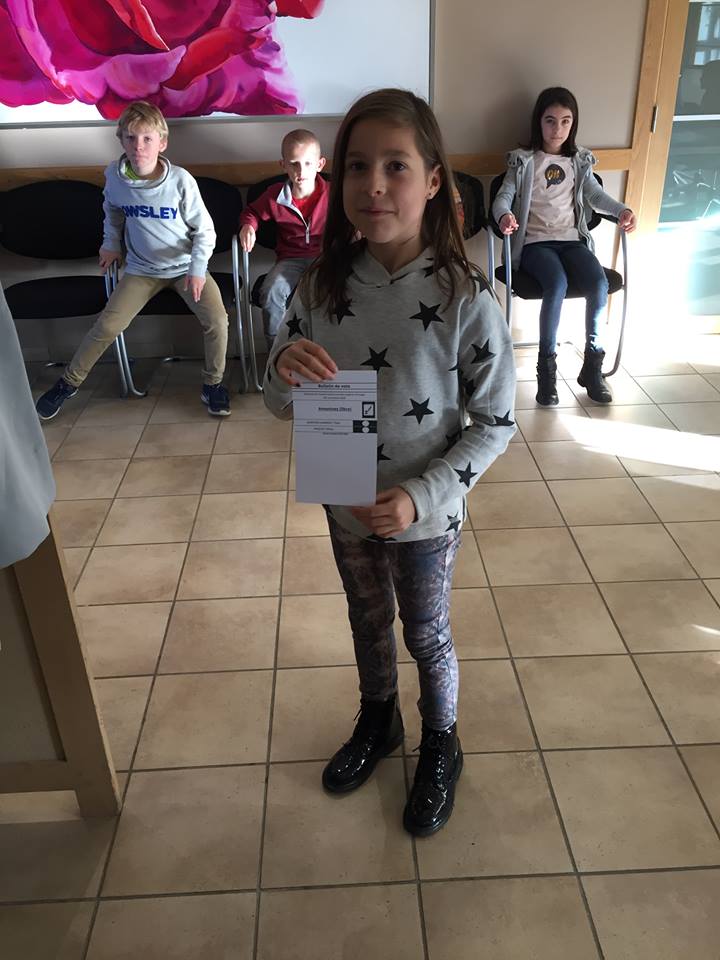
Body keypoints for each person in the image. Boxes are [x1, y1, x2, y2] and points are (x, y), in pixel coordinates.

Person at [262, 89, 516, 837]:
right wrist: (281, 367)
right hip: (344, 497)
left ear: (433, 180)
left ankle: (441, 740)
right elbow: (280, 403)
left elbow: (496, 424)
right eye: (357, 166)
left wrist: (420, 496)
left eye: (395, 166)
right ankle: (379, 720)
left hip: (425, 515)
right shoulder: (320, 284)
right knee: (366, 620)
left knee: (425, 634)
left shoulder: (467, 297)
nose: (373, 185)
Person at [36, 100, 231, 420]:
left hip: (185, 268)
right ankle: (68, 383)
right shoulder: (114, 177)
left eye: (147, 139)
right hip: (142, 270)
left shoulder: (180, 180)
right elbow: (112, 212)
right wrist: (110, 244)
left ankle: (213, 384)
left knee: (217, 321)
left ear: (162, 143)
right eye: (131, 138)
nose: (138, 146)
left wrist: (197, 269)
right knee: (107, 325)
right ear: (121, 140)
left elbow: (205, 231)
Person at [492, 86, 636, 406]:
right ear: (539, 122)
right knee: (555, 284)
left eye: (565, 122)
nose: (557, 129)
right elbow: (503, 197)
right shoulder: (523, 161)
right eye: (550, 121)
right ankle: (547, 371)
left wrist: (621, 210)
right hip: (536, 245)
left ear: (573, 124)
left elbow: (595, 195)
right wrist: (504, 215)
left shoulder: (578, 160)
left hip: (571, 242)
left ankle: (593, 367)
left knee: (599, 283)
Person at [238, 129, 329, 352]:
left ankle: (329, 350)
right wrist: (248, 226)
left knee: (336, 292)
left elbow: (352, 217)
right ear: (283, 165)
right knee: (271, 292)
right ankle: (278, 351)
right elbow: (252, 212)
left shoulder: (333, 194)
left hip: (326, 257)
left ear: (320, 164)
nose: (301, 171)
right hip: (291, 260)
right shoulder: (276, 195)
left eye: (308, 163)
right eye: (294, 164)